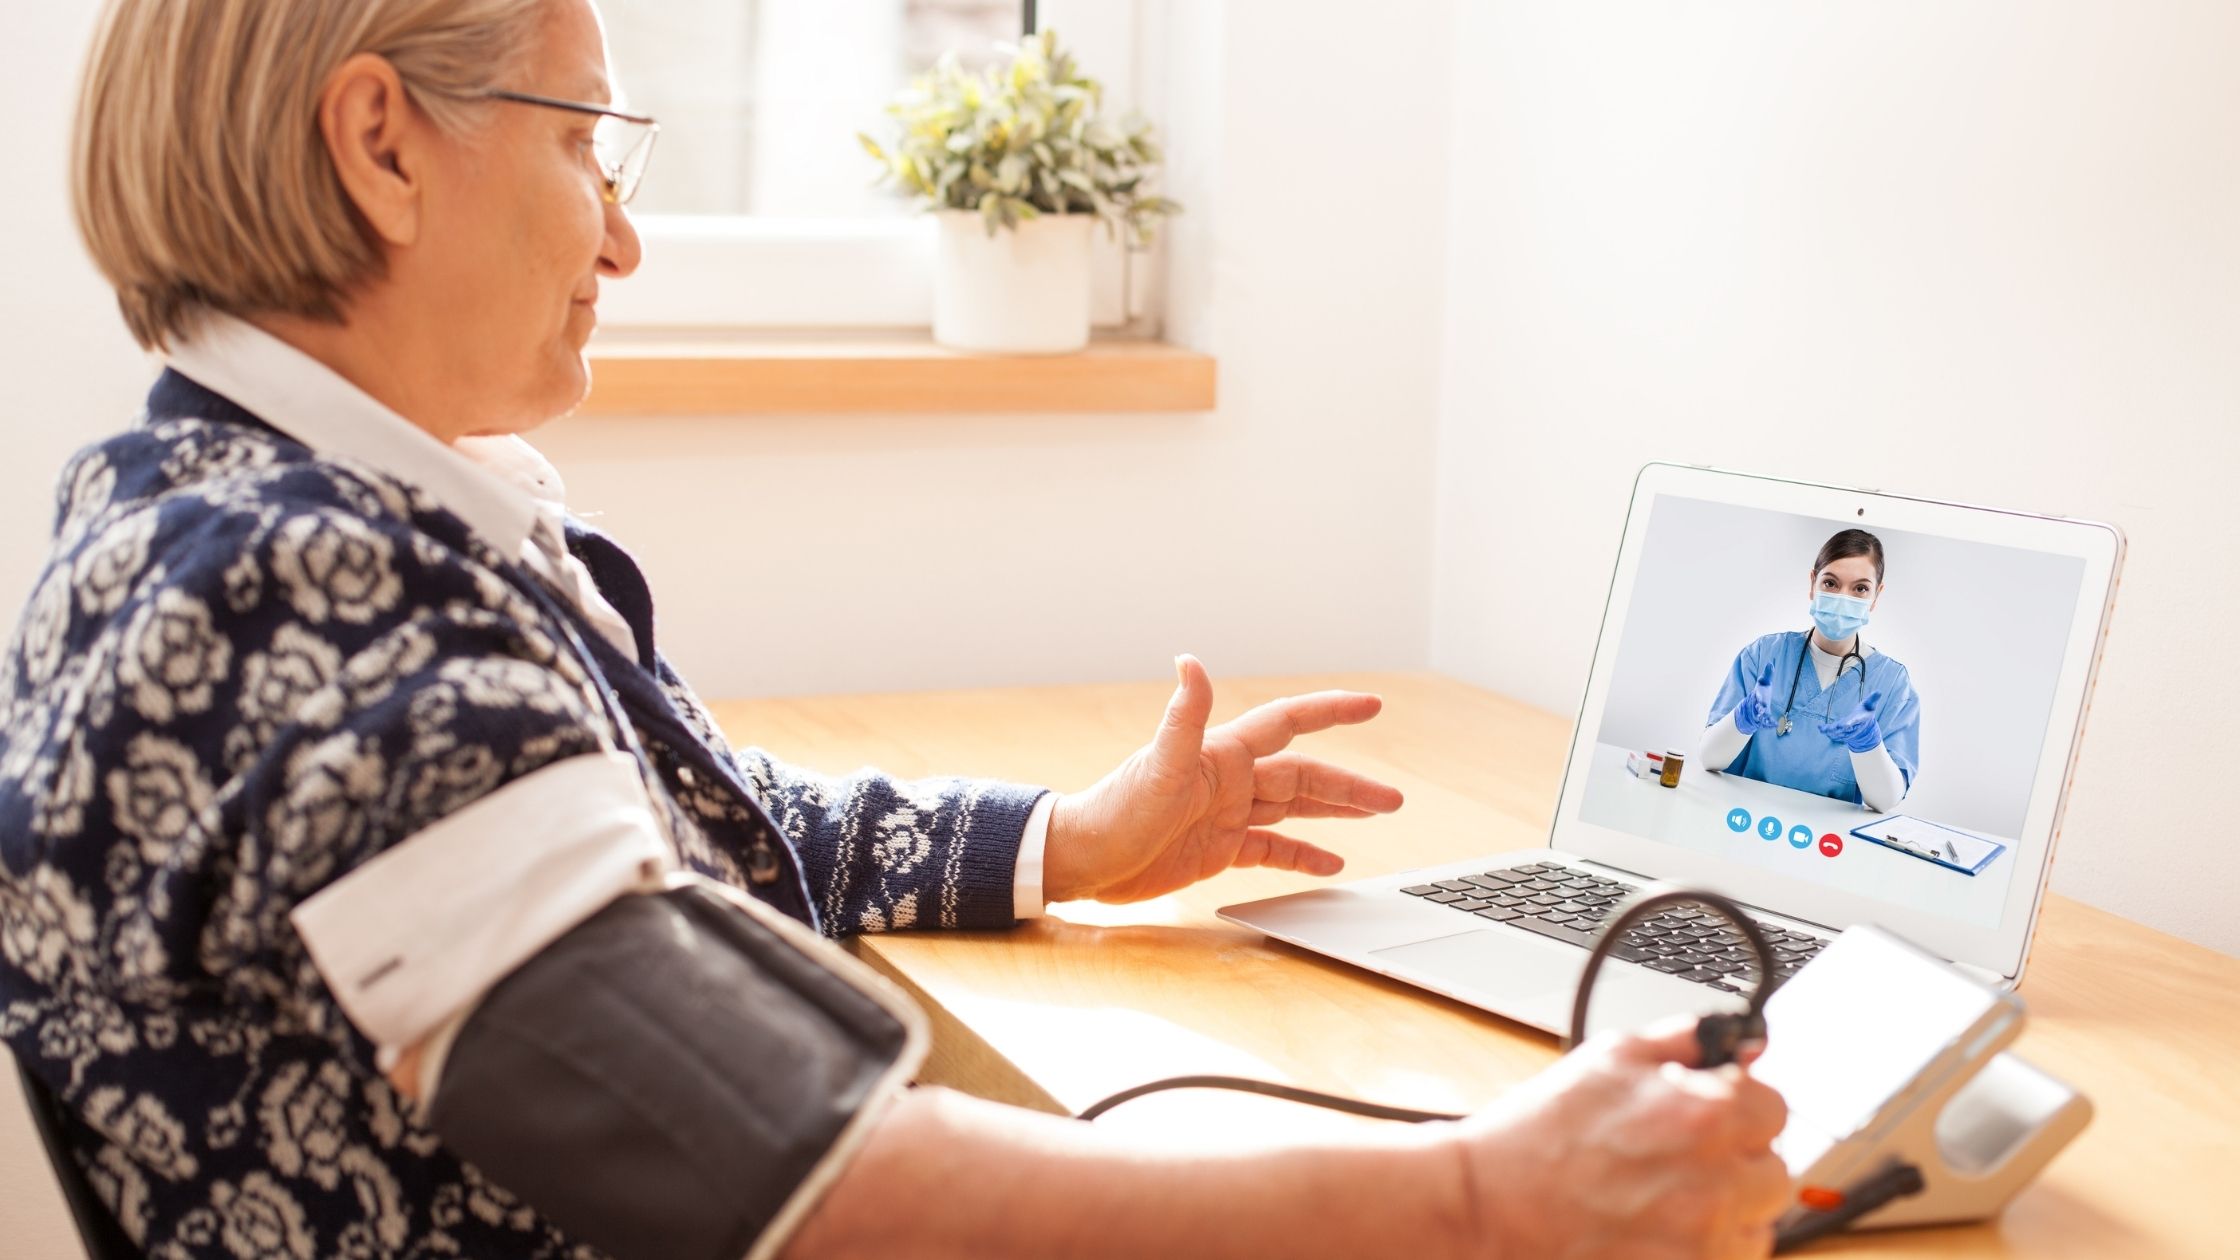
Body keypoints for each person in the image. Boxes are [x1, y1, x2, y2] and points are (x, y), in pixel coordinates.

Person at [0, 1, 1790, 1256]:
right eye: (588, 146)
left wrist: (1066, 842)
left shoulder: (189, 508)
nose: (621, 243)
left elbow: (656, 843)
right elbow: (809, 1196)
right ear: (384, 143)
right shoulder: (287, 594)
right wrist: (1485, 1210)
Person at [1701, 530, 1922, 811]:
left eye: (1860, 589)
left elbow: (1886, 800)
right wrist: (1742, 719)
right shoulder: (1765, 655)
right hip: (1743, 819)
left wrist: (1868, 746)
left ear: (1876, 596)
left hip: (1824, 843)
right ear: (1812, 584)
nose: (1843, 598)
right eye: (1830, 583)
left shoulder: (1891, 683)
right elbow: (1709, 758)